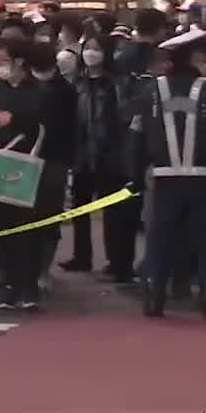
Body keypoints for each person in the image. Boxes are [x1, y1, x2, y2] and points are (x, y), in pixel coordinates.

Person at [125, 29, 206, 319]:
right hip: (202, 179)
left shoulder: (150, 91)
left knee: (160, 237)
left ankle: (155, 292)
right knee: (202, 237)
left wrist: (134, 176)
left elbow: (136, 135)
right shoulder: (205, 89)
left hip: (162, 177)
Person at [0, 37, 46, 311]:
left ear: (20, 61)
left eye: (4, 60)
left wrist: (15, 119)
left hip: (29, 164)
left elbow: (45, 123)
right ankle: (9, 286)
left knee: (28, 227)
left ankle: (28, 285)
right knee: (1, 226)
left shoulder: (38, 90)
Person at [64, 35, 130, 279]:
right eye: (87, 48)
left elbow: (121, 119)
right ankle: (82, 256)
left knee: (112, 212)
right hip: (81, 153)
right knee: (80, 208)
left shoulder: (114, 84)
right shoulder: (76, 82)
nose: (91, 53)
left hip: (109, 154)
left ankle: (117, 261)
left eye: (96, 48)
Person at [28, 41, 78, 291]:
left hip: (53, 160)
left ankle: (43, 269)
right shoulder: (25, 86)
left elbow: (71, 129)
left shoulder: (66, 91)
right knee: (23, 216)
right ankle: (26, 269)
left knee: (48, 216)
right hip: (25, 158)